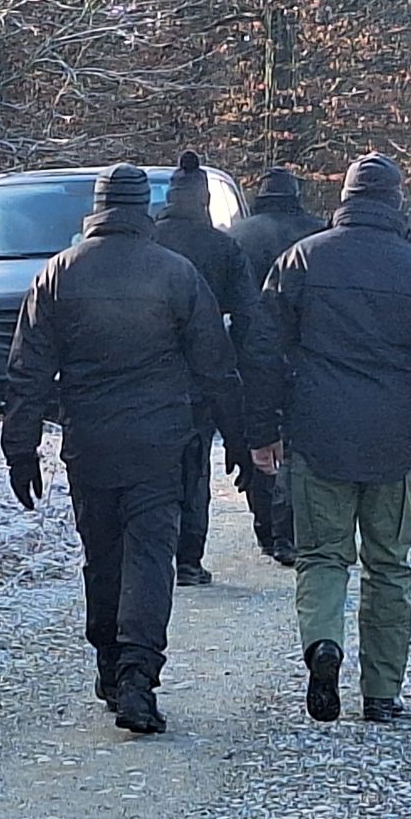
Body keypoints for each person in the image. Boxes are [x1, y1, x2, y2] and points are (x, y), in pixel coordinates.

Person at [4, 163, 245, 736]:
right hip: (160, 443)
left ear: (98, 206)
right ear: (144, 209)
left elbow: (28, 373)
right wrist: (239, 435)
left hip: (89, 443)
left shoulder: (58, 274)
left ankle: (111, 664)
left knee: (103, 555)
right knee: (150, 555)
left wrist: (22, 447)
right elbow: (217, 365)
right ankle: (138, 673)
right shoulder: (177, 274)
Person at [240, 151, 411, 725]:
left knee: (322, 556)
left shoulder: (300, 260)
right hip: (391, 439)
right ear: (396, 201)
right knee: (389, 565)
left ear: (343, 200)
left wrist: (261, 431)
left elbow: (262, 352)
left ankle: (324, 644)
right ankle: (381, 691)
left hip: (316, 433)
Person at [153, 151, 257, 588]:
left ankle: (152, 550)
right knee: (195, 468)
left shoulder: (150, 242)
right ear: (204, 201)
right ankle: (189, 559)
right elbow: (249, 315)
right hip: (203, 376)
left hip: (150, 374)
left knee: (153, 469)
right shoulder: (224, 247)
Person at [226, 167, 324, 565]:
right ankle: (293, 526)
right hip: (309, 351)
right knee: (299, 441)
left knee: (260, 433)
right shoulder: (318, 235)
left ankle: (266, 523)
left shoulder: (237, 237)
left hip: (249, 349)